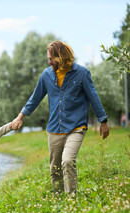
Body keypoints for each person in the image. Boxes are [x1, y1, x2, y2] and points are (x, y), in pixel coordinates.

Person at [10, 40, 109, 195]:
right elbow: (34, 98)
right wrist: (20, 117)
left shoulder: (82, 73)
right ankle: (58, 200)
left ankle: (71, 200)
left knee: (68, 161)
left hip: (76, 127)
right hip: (54, 128)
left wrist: (103, 120)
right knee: (55, 169)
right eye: (48, 59)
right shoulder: (46, 75)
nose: (49, 62)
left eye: (51, 58)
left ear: (62, 56)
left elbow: (93, 97)